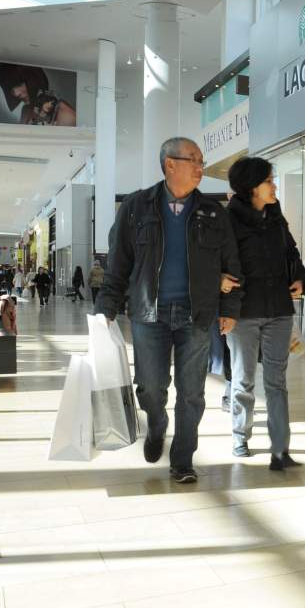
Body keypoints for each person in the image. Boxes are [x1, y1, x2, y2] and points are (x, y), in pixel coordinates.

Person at [96, 137, 242, 484]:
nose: (200, 167)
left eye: (201, 160)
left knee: (192, 392)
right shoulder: (136, 207)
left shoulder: (213, 212)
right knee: (150, 387)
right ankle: (156, 426)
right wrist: (105, 311)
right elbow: (118, 265)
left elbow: (231, 263)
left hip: (197, 315)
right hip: (150, 314)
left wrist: (230, 308)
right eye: (193, 159)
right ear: (169, 164)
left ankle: (183, 459)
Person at [224, 156, 305, 470]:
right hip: (243, 312)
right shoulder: (229, 218)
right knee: (243, 379)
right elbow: (221, 261)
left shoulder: (275, 212)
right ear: (251, 187)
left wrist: (299, 277)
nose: (274, 185)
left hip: (279, 309)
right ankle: (239, 437)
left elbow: (291, 251)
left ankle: (280, 449)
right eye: (269, 180)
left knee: (277, 381)